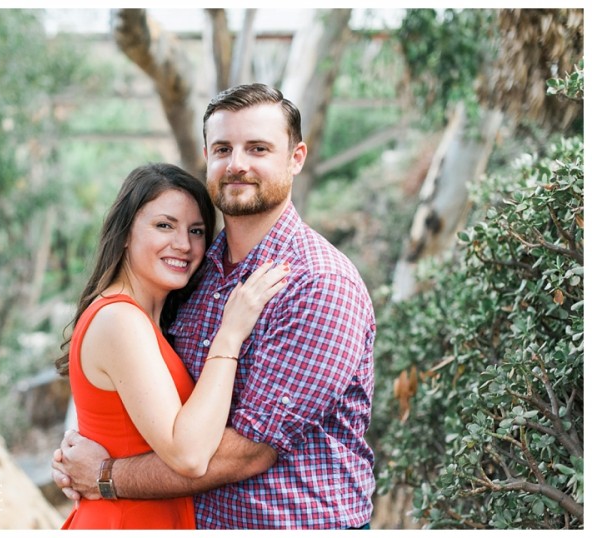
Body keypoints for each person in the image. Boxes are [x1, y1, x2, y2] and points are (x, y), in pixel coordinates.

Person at [53, 84, 376, 529]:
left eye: (258, 148)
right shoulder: (191, 274)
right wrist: (93, 441)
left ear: (296, 158)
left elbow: (246, 453)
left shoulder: (318, 284)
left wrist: (106, 475)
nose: (237, 164)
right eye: (223, 148)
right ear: (208, 155)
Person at [56, 162, 289, 529]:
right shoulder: (121, 320)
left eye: (196, 231)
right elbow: (191, 456)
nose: (183, 244)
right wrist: (230, 334)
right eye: (164, 225)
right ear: (126, 232)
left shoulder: (150, 321)